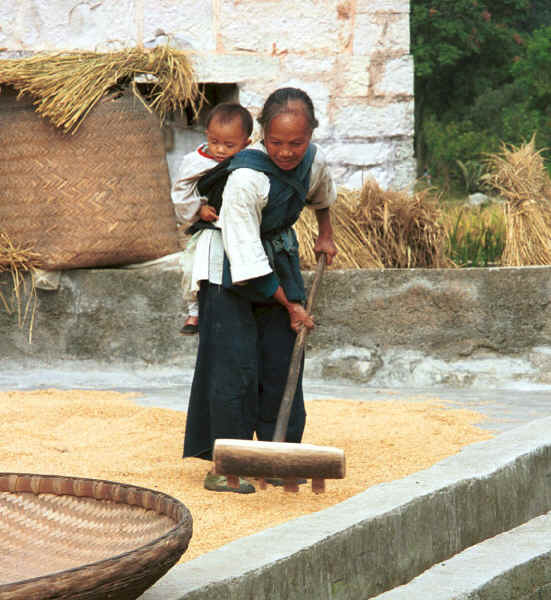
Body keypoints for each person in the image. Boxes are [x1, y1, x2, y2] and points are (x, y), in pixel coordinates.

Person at [182, 87, 338, 494]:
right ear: (262, 136)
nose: (286, 153)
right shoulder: (246, 178)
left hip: (279, 263)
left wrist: (326, 234)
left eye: (297, 143)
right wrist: (290, 305)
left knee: (281, 360)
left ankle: (276, 458)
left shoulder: (313, 160)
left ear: (310, 136)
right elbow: (246, 255)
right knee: (232, 368)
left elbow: (322, 194)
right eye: (276, 143)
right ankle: (225, 467)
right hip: (230, 271)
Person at [172, 103, 253, 334]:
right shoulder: (195, 162)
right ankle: (194, 312)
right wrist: (199, 210)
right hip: (206, 226)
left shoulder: (247, 162)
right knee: (192, 266)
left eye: (229, 145)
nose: (219, 150)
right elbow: (180, 193)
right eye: (214, 142)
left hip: (236, 226)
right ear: (207, 135)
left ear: (246, 143)